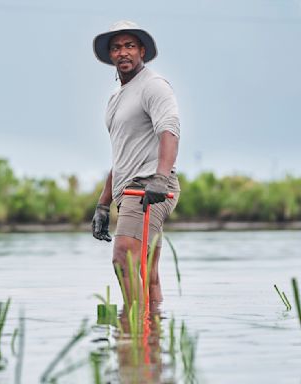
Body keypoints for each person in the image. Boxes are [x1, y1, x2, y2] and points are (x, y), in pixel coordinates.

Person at [91, 20, 181, 304]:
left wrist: (161, 177)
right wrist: (103, 204)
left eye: (129, 45)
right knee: (147, 271)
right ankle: (152, 339)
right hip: (129, 189)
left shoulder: (153, 86)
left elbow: (170, 129)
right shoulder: (116, 98)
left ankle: (130, 336)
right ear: (110, 57)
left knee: (123, 260)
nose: (123, 52)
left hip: (147, 187)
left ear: (142, 50)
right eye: (116, 48)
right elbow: (121, 157)